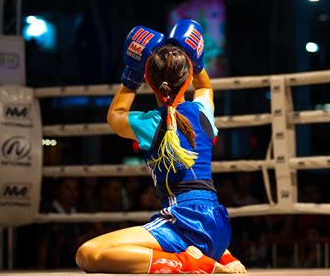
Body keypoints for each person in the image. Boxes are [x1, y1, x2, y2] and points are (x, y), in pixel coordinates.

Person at [76, 19, 246, 274]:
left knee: (87, 254)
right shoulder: (202, 112)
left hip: (184, 221)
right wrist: (195, 62)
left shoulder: (151, 123)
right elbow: (205, 87)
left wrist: (132, 74)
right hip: (218, 224)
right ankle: (221, 256)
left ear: (149, 80)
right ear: (187, 76)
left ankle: (196, 264)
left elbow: (115, 115)